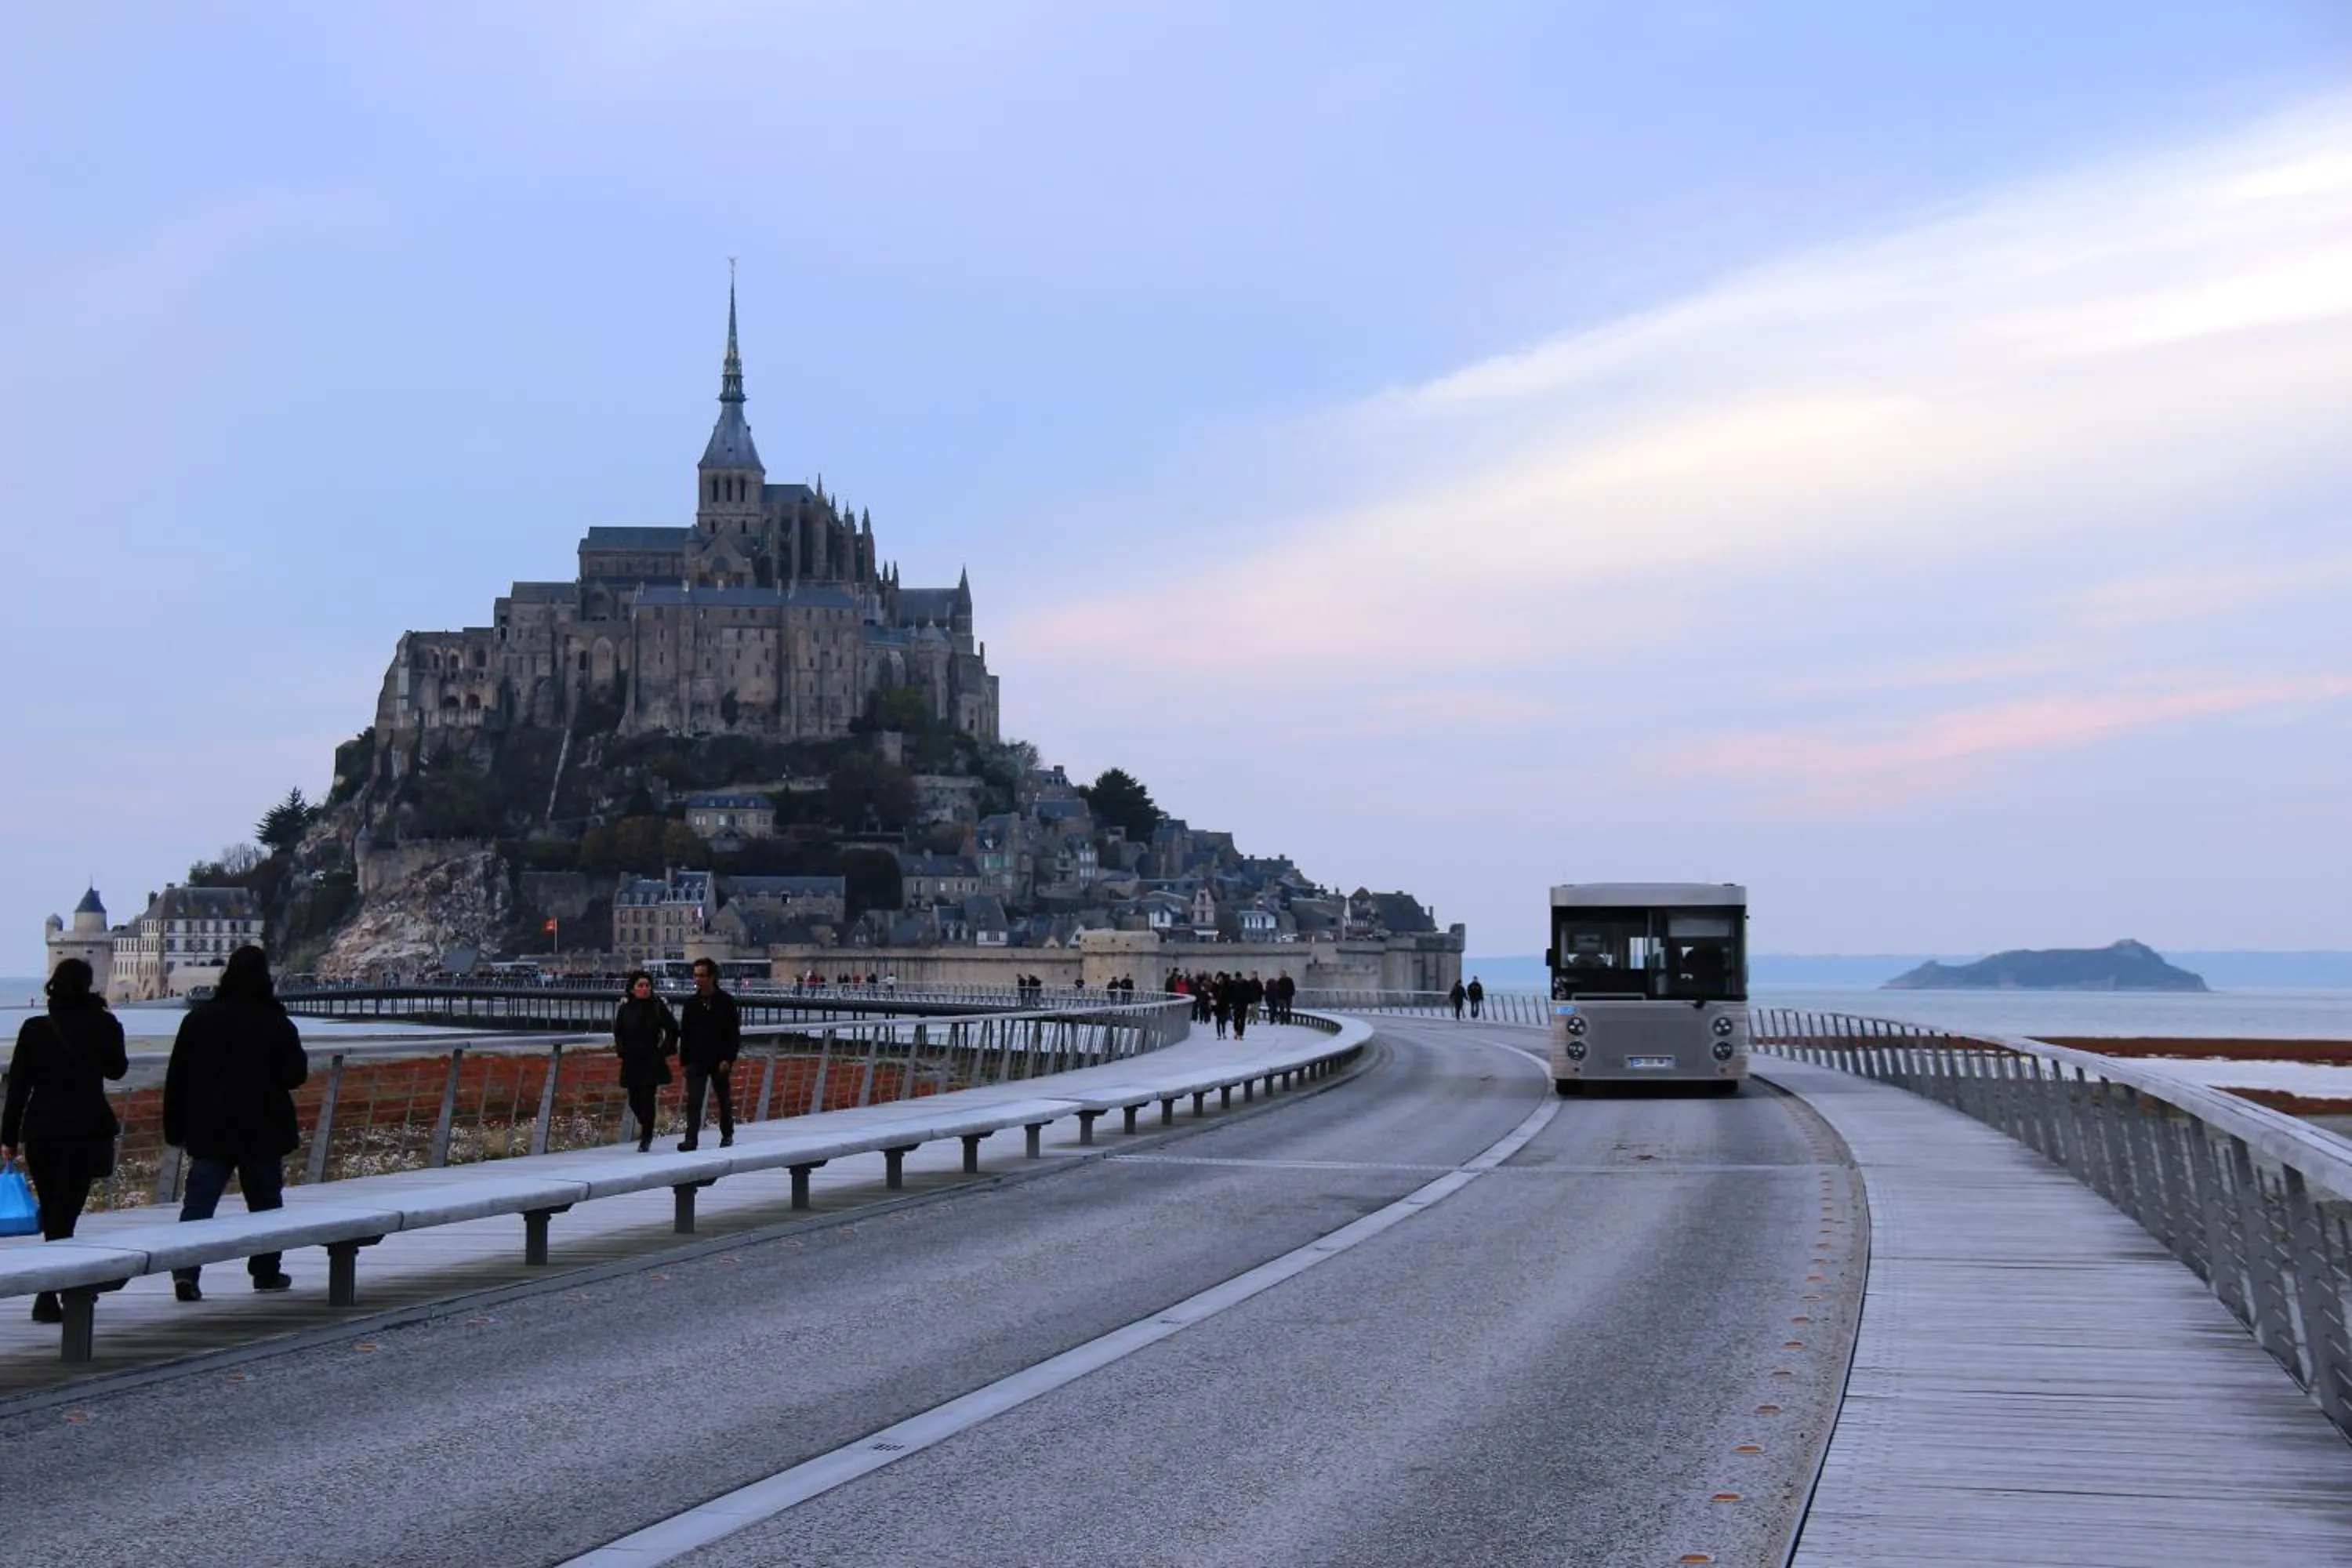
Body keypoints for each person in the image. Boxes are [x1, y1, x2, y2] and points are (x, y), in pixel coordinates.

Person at [162, 946, 309, 1301]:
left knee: (199, 1203)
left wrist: (174, 1127)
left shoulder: (198, 1020)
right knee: (265, 1204)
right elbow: (295, 1075)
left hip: (210, 1125)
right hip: (261, 1125)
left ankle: (186, 1271)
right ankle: (266, 1271)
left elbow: (177, 1077)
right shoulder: (275, 1021)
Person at [1, 958, 128, 1323]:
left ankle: (51, 1290)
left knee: (54, 1206)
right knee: (66, 1212)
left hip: (42, 1130)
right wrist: (108, 1020)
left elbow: (18, 1088)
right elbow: (116, 1070)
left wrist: (8, 1136)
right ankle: (49, 1291)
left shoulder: (35, 1028)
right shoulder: (102, 1024)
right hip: (85, 1128)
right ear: (88, 986)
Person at [677, 958, 739, 1151]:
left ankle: (727, 1134)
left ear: (712, 977)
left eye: (702, 976)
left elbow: (733, 1033)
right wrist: (685, 1062)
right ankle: (691, 1139)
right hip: (696, 1059)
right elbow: (685, 1034)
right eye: (696, 975)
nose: (698, 979)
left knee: (723, 1099)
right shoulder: (691, 1004)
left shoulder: (726, 1002)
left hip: (719, 1059)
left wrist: (728, 1059)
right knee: (694, 1100)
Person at [613, 970, 680, 1152]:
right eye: (640, 986)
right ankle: (647, 1126)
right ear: (633, 989)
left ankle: (646, 1137)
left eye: (647, 986)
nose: (644, 989)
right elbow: (618, 1031)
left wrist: (664, 1051)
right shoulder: (625, 1009)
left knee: (647, 1097)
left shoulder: (657, 1006)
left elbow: (673, 1029)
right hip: (631, 1059)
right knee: (634, 1100)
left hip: (651, 1057)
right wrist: (621, 1050)